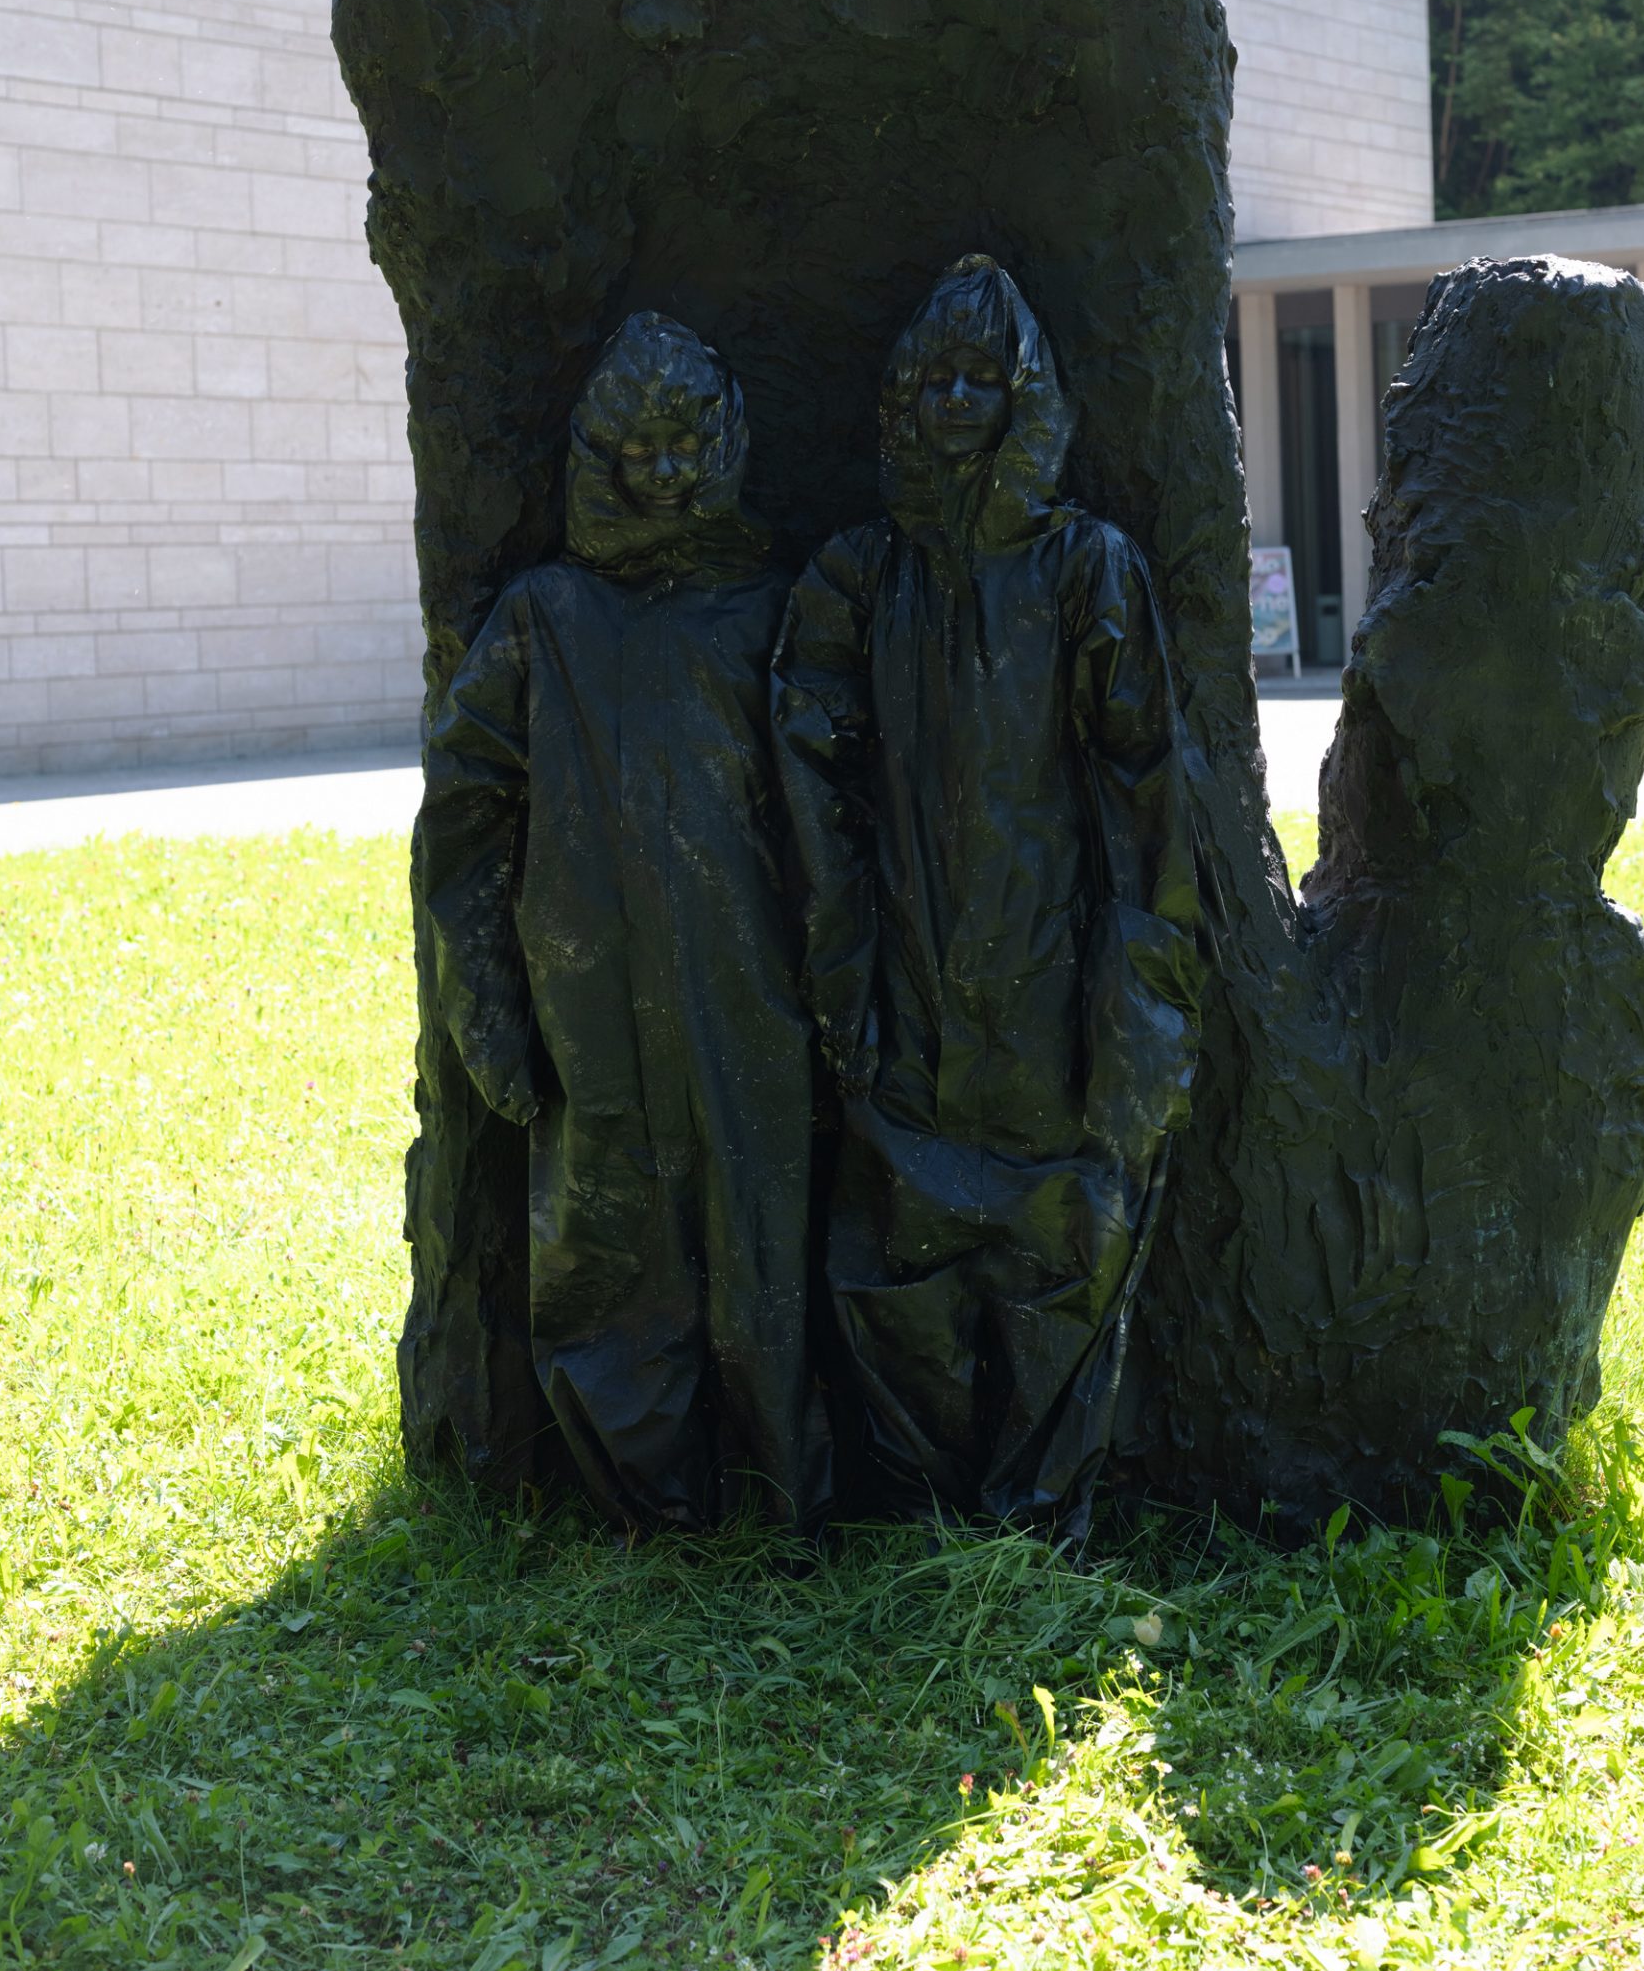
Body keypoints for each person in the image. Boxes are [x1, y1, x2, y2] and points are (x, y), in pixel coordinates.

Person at [772, 256, 1203, 1540]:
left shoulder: (1086, 571)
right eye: (935, 378)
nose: (958, 401)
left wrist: (1139, 1001)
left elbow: (1142, 789)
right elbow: (812, 789)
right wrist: (845, 973)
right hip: (903, 977)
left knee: (1057, 1246)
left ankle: (1036, 1517)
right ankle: (921, 1518)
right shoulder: (859, 577)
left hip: (1052, 980)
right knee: (896, 1252)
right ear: (902, 397)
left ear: (1029, 397)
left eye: (984, 377)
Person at [421, 313, 827, 1535]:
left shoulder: (770, 607)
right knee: (605, 1255)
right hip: (586, 1009)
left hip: (751, 1000)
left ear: (726, 443)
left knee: (764, 1245)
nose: (664, 473)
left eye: (685, 444)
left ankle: (776, 1496)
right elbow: (463, 822)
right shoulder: (543, 619)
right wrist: (490, 1017)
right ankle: (643, 1509)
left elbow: (836, 819)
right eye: (636, 449)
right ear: (597, 455)